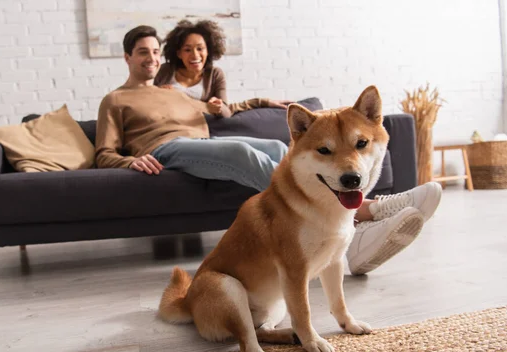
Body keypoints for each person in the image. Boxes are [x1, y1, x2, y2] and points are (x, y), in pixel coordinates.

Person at [95, 25, 442, 275]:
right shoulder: (115, 99)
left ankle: (347, 233)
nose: (152, 58)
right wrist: (131, 160)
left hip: (203, 143)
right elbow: (103, 152)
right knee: (241, 155)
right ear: (127, 56)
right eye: (143, 51)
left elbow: (224, 108)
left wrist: (264, 102)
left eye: (156, 51)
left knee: (277, 146)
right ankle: (366, 211)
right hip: (165, 148)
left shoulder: (173, 92)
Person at [154, 19, 290, 117]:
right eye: (187, 49)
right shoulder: (164, 71)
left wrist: (217, 107)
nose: (195, 55)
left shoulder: (214, 74)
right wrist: (158, 94)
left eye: (200, 48)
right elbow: (142, 99)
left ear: (208, 50)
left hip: (197, 128)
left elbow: (227, 112)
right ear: (178, 53)